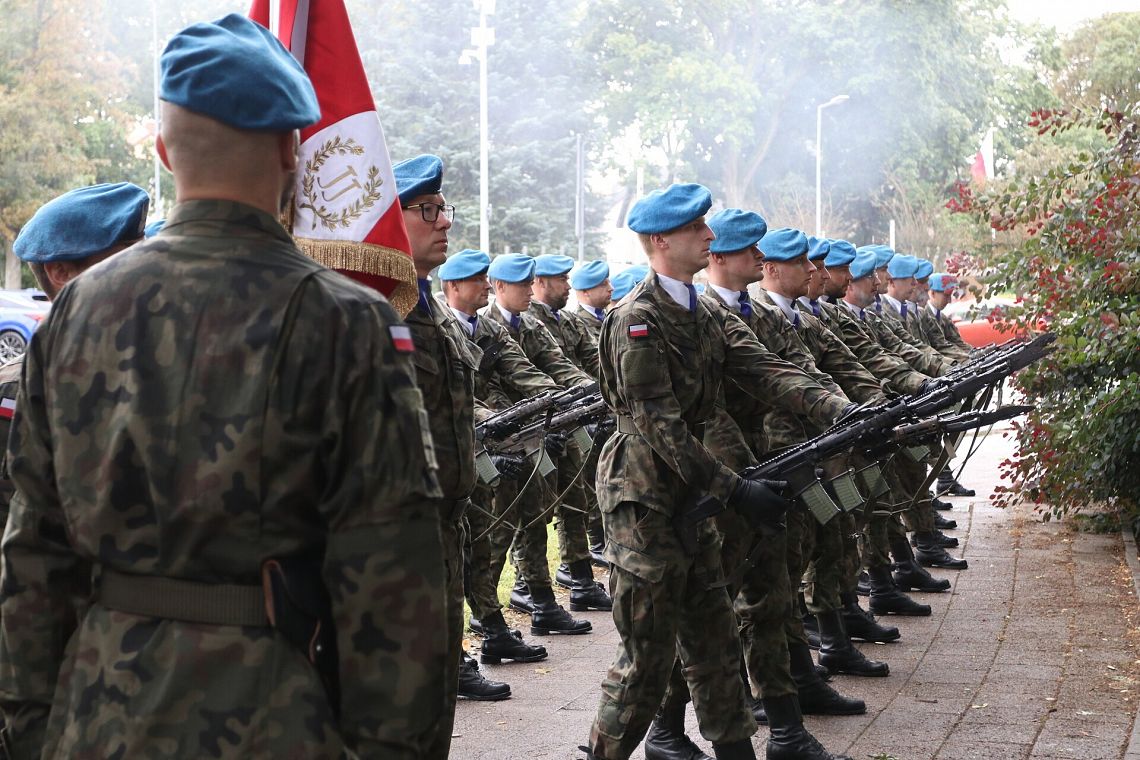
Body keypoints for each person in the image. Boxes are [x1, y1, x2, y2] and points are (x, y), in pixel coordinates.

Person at [0, 15, 447, 758]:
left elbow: (34, 556)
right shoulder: (347, 320)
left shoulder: (78, 309)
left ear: (163, 150)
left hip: (97, 717)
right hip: (276, 718)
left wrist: (33, 730)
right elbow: (394, 583)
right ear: (292, 147)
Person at [584, 184, 792, 760]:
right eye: (696, 227)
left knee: (716, 645)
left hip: (690, 495)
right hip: (644, 498)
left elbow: (763, 369)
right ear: (660, 240)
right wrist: (735, 489)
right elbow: (661, 427)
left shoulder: (702, 312)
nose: (709, 235)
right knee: (646, 660)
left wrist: (841, 410)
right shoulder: (637, 318)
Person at [393, 155, 511, 723]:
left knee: (435, 702)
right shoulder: (377, 309)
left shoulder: (428, 307)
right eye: (426, 210)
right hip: (401, 534)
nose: (443, 221)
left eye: (444, 209)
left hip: (446, 517)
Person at [0, 183, 151, 521]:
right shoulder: (13, 390)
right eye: (125, 259)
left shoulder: (166, 366)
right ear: (61, 273)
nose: (146, 269)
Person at [438, 248, 553, 667]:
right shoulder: (442, 326)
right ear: (453, 286)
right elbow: (456, 397)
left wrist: (558, 400)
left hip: (492, 443)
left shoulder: (487, 329)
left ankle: (493, 630)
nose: (486, 285)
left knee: (482, 540)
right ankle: (464, 648)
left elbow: (525, 371)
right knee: (465, 547)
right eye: (477, 279)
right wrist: (493, 422)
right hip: (459, 448)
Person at [570, 259, 612, 339]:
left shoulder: (609, 317)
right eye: (604, 284)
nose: (611, 288)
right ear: (585, 291)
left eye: (609, 283)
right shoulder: (575, 325)